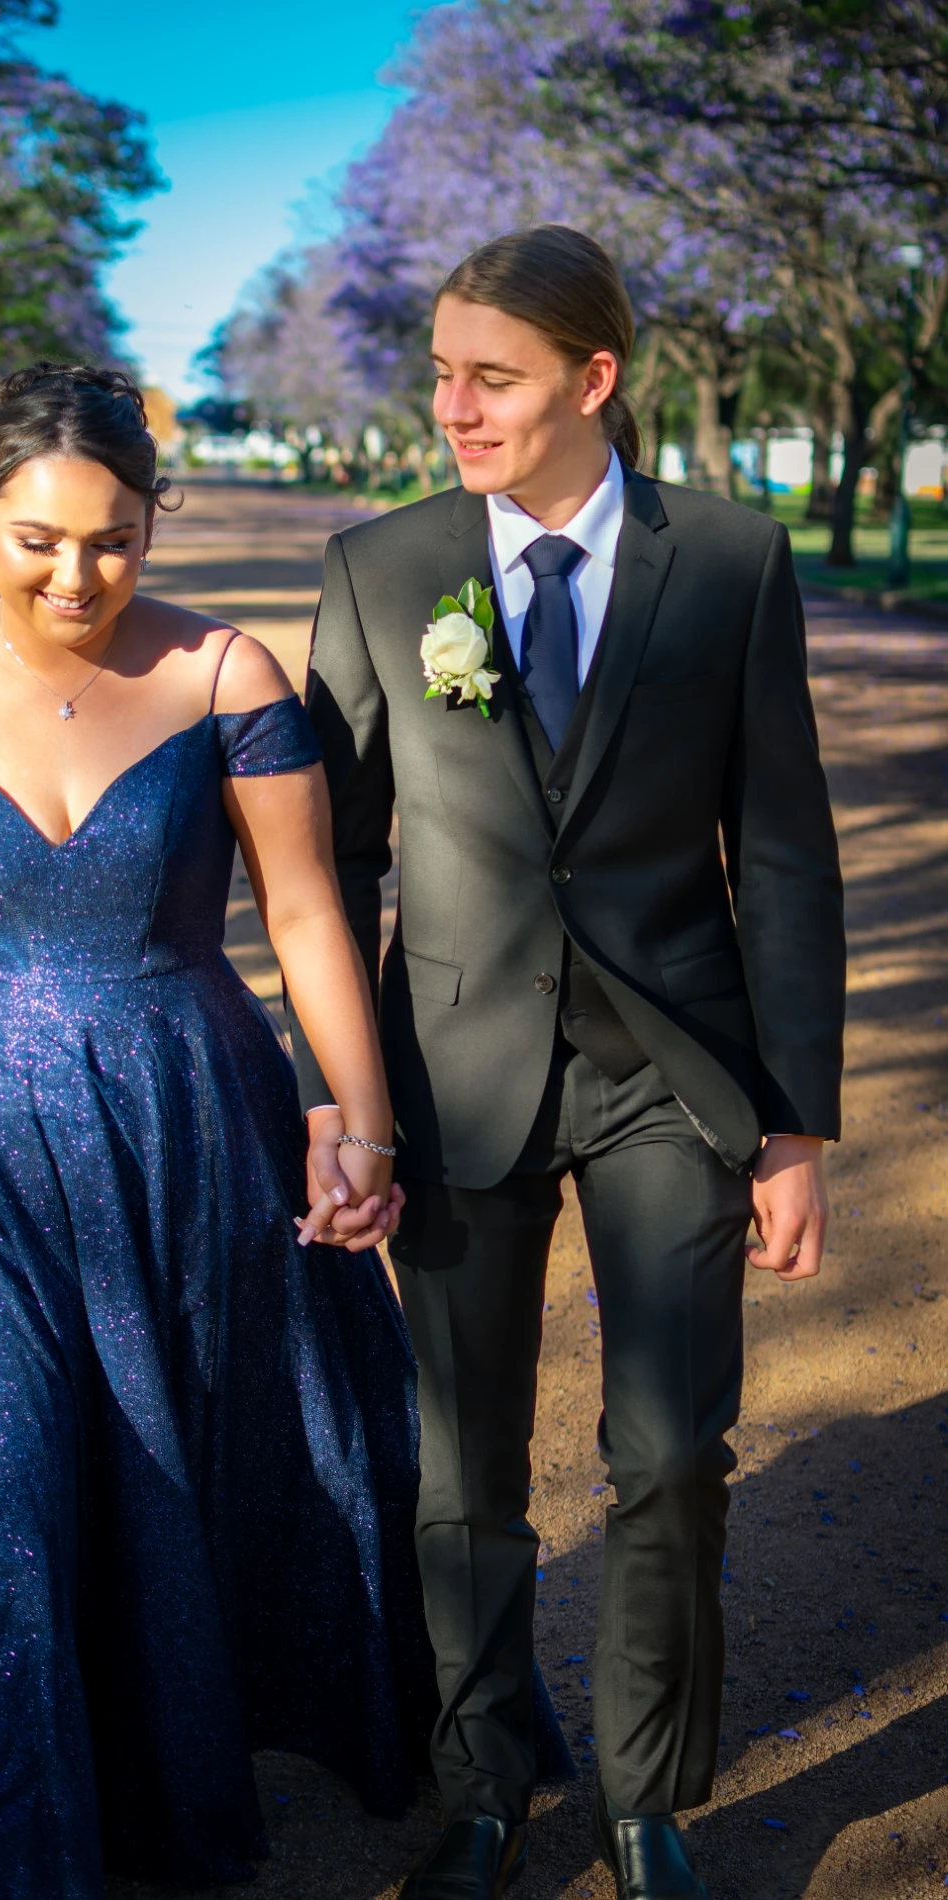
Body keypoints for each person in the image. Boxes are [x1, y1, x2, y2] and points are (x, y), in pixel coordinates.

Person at [0, 363, 436, 1898]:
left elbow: (309, 910)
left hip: (182, 1118)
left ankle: (143, 1781)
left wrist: (364, 1127)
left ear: (150, 522)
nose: (76, 574)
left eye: (114, 539)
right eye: (38, 537)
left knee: (153, 1463)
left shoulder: (228, 678)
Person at [292, 227, 846, 1900]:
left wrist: (797, 1122)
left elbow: (787, 851)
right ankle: (481, 1788)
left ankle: (644, 1801)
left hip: (674, 1071)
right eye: (441, 371)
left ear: (591, 381)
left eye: (490, 378)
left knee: (670, 1451)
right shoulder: (380, 569)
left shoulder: (733, 559)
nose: (449, 406)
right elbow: (334, 865)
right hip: (450, 1076)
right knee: (463, 1469)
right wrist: (347, 1106)